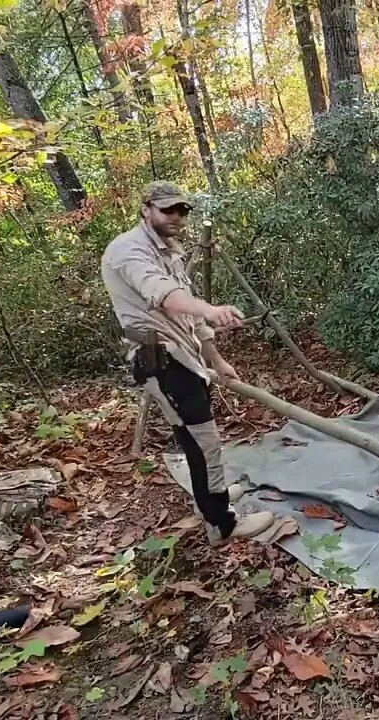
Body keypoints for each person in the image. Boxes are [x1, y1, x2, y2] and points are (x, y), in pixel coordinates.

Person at [100, 181, 275, 544]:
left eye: (181, 210)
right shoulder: (128, 250)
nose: (176, 216)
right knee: (204, 441)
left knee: (194, 438)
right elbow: (163, 296)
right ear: (146, 209)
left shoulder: (170, 252)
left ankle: (208, 498)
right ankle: (221, 523)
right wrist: (212, 309)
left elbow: (189, 315)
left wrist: (217, 358)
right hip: (161, 362)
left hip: (185, 358)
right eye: (167, 209)